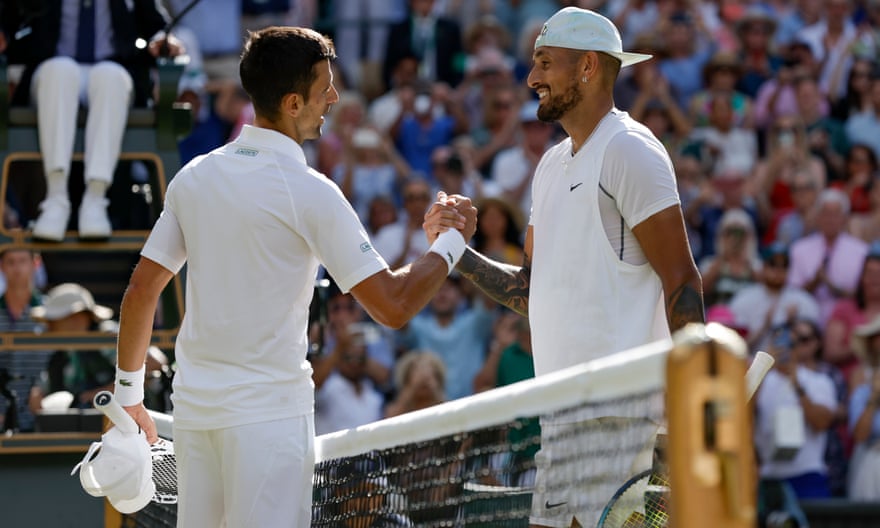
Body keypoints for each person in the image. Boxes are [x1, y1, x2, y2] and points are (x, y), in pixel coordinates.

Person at [113, 27, 476, 528]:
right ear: (292, 103)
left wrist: (128, 398)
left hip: (196, 415)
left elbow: (141, 290)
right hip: (269, 422)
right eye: (325, 87)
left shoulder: (194, 176)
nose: (334, 97)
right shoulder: (312, 192)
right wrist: (452, 242)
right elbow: (393, 305)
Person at [429, 8, 704, 528]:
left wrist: (688, 411)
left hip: (621, 414)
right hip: (560, 414)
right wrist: (456, 252)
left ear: (588, 67)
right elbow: (529, 290)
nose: (532, 78)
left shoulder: (630, 149)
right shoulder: (551, 165)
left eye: (545, 62)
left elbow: (682, 281)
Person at [0, 0, 184, 241]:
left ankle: (96, 198)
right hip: (51, 73)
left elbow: (155, 25)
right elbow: (12, 15)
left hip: (113, 70)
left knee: (110, 76)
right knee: (60, 71)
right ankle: (55, 198)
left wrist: (162, 40)